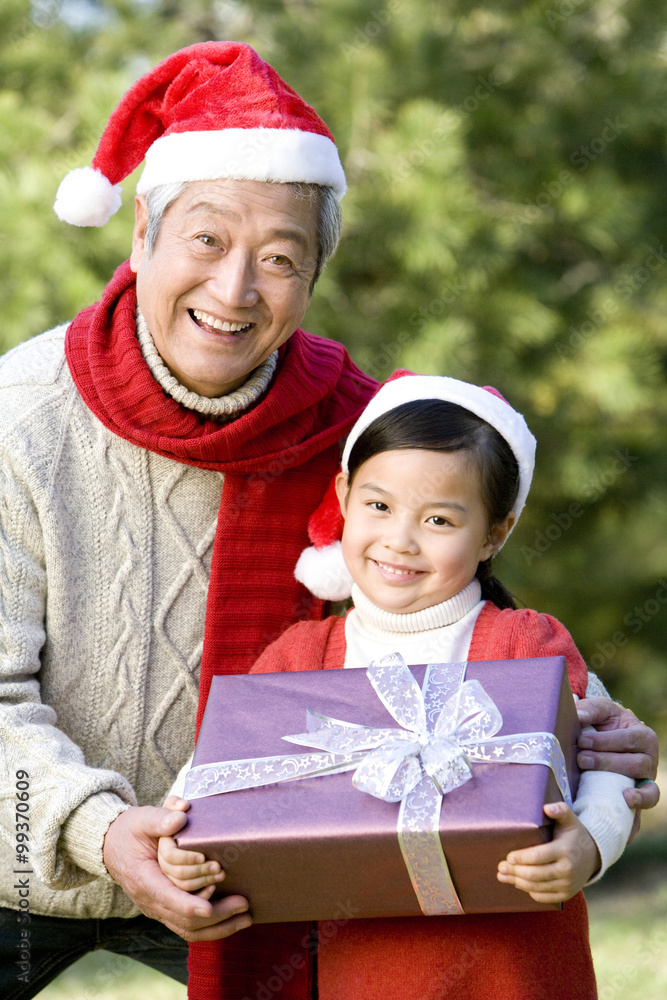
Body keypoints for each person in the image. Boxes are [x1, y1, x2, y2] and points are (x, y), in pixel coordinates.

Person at [0, 40, 657, 1000]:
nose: (234, 292)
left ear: (315, 277)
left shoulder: (364, 439)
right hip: (25, 846)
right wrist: (93, 830)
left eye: (280, 259)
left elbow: (469, 638)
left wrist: (590, 735)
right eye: (208, 242)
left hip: (259, 879)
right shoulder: (19, 418)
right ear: (141, 233)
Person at [160, 374, 638, 999]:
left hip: (518, 972)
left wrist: (588, 848)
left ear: (495, 533)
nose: (400, 540)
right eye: (378, 506)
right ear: (344, 494)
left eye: (439, 519)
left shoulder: (525, 644)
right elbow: (217, 776)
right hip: (368, 969)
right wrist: (181, 845)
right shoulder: (303, 656)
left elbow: (610, 765)